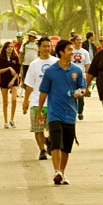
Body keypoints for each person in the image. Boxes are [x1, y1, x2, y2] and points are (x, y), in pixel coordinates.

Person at [37, 39, 86, 185]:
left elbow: (83, 88)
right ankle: (56, 170)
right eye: (69, 50)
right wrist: (40, 111)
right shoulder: (51, 71)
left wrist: (80, 92)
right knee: (56, 143)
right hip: (54, 113)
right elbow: (43, 92)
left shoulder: (77, 70)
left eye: (72, 50)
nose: (72, 52)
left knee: (66, 147)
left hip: (70, 113)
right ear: (61, 52)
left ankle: (62, 172)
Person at [23, 37, 59, 160]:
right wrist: (25, 101)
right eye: (44, 46)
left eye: (48, 46)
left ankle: (49, 142)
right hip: (37, 103)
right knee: (38, 129)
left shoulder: (57, 62)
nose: (46, 49)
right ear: (38, 48)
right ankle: (42, 150)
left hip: (53, 103)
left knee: (54, 129)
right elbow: (29, 85)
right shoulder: (34, 64)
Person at [0, 41, 21, 129]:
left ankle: (12, 119)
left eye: (11, 47)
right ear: (5, 48)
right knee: (5, 101)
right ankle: (5, 121)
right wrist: (9, 68)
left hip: (13, 80)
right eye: (8, 47)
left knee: (14, 99)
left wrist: (13, 80)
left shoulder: (15, 57)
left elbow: (17, 71)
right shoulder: (1, 58)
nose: (10, 48)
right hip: (4, 80)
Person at [70, 34, 91, 121]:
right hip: (71, 75)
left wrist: (88, 77)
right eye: (77, 40)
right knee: (72, 94)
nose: (79, 41)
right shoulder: (71, 50)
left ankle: (80, 111)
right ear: (74, 41)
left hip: (81, 76)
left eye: (80, 40)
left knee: (80, 94)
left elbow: (87, 65)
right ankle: (72, 111)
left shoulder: (85, 52)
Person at [20, 31, 39, 97]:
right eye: (29, 36)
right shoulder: (25, 44)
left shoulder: (37, 44)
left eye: (30, 36)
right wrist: (20, 61)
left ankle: (33, 93)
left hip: (35, 65)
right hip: (25, 63)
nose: (29, 37)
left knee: (34, 79)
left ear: (34, 37)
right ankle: (25, 92)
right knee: (25, 78)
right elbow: (21, 53)